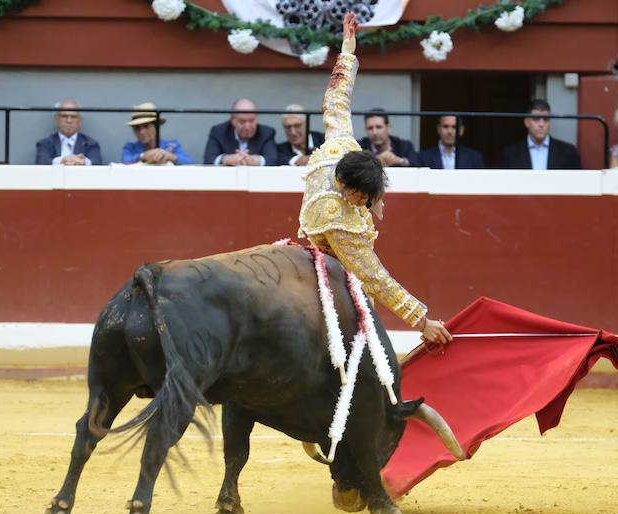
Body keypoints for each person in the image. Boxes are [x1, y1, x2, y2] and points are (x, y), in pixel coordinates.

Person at [297, 13, 452, 346]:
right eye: (366, 199)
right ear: (351, 192)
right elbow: (373, 275)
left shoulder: (341, 147)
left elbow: (336, 99)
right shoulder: (335, 215)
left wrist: (348, 50)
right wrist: (421, 321)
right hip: (329, 276)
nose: (370, 205)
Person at [497, 99, 582, 169]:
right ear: (527, 122)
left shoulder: (568, 152)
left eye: (546, 119)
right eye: (536, 118)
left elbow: (578, 184)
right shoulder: (510, 154)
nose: (541, 124)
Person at [203, 98, 278, 166]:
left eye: (251, 121)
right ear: (232, 120)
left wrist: (257, 160)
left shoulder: (267, 133)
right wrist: (225, 159)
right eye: (242, 121)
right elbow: (209, 159)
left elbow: (273, 160)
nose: (247, 126)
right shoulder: (218, 131)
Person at [121, 102, 192, 165]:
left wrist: (170, 156)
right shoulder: (130, 147)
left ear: (157, 126)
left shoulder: (172, 146)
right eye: (137, 128)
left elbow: (188, 162)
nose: (142, 132)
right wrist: (143, 156)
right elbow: (125, 161)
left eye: (146, 126)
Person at [35, 99, 102, 166]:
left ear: (80, 121)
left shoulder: (91, 143)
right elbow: (41, 162)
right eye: (64, 116)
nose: (69, 120)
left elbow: (96, 163)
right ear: (56, 119)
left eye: (73, 117)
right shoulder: (45, 144)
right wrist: (62, 160)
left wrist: (83, 161)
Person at [419, 114, 485, 169]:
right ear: (438, 129)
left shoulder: (474, 157)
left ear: (461, 130)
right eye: (445, 126)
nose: (449, 131)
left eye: (454, 127)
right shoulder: (423, 157)